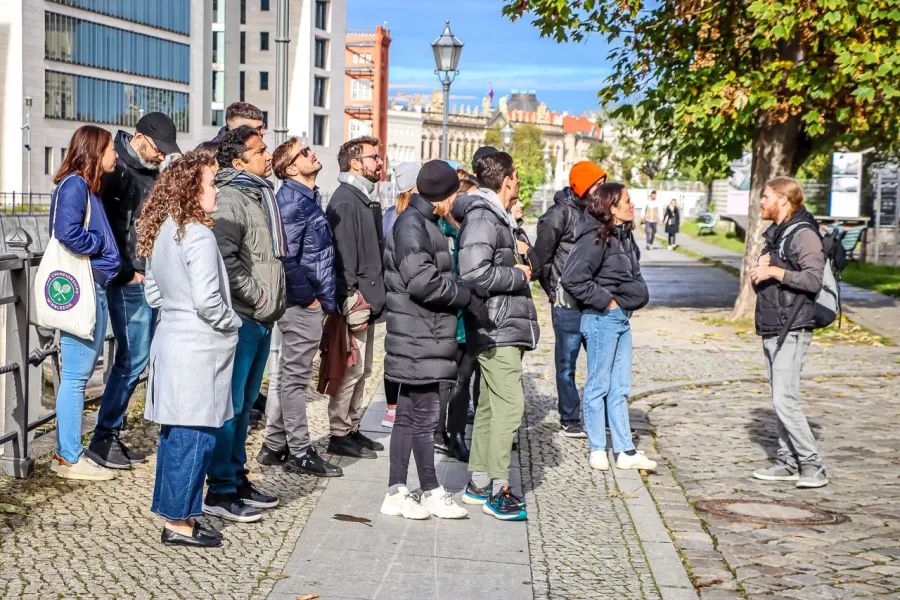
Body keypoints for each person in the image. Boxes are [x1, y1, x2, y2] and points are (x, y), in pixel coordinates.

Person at [137, 155, 239, 548]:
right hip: (198, 348)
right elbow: (209, 301)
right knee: (195, 436)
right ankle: (178, 524)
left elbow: (152, 293)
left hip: (172, 340)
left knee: (175, 434)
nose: (217, 190)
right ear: (191, 190)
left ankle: (173, 512)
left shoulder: (164, 230)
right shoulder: (197, 234)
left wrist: (177, 312)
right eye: (212, 183)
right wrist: (234, 322)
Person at [381, 160, 490, 520]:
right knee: (425, 416)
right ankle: (429, 489)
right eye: (454, 193)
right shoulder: (413, 225)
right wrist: (465, 292)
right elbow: (422, 282)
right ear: (444, 195)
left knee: (410, 415)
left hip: (420, 332)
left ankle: (397, 490)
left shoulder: (421, 221)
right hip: (420, 334)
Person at [87, 113, 181, 470]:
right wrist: (128, 273)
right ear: (140, 139)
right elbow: (110, 227)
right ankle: (103, 437)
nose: (162, 156)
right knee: (134, 358)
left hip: (144, 276)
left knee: (134, 358)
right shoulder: (117, 168)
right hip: (131, 280)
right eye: (159, 149)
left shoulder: (146, 168)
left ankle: (109, 434)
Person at [203, 125, 286, 523]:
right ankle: (219, 489)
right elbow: (224, 259)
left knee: (243, 408)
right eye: (260, 151)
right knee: (231, 407)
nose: (268, 156)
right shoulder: (231, 198)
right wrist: (259, 296)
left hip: (261, 319)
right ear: (239, 162)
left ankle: (236, 478)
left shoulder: (258, 194)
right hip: (244, 317)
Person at [452, 151, 540, 522]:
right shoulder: (484, 217)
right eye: (517, 178)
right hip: (496, 324)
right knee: (509, 407)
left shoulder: (495, 216)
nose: (518, 184)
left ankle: (478, 482)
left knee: (489, 405)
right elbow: (473, 273)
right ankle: (499, 489)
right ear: (507, 178)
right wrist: (518, 275)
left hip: (498, 324)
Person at [255, 137, 342, 478]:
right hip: (299, 304)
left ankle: (274, 446)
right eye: (304, 152)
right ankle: (301, 451)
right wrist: (309, 298)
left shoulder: (305, 197)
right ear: (291, 169)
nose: (312, 153)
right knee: (293, 379)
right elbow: (285, 258)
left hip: (306, 302)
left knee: (286, 376)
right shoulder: (291, 201)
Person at [561, 183, 657, 473]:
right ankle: (597, 449)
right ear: (612, 207)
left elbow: (631, 273)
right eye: (627, 200)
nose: (633, 205)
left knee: (620, 387)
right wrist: (608, 303)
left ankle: (625, 450)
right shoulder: (595, 237)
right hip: (602, 319)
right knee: (598, 385)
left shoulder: (624, 235)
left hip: (621, 320)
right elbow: (573, 278)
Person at [49, 125, 121, 481]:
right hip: (86, 289)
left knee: (78, 374)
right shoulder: (76, 185)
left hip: (93, 288)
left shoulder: (87, 186)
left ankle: (69, 452)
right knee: (77, 376)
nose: (116, 155)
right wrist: (102, 246)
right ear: (95, 151)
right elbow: (66, 232)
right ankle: (68, 457)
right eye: (110, 149)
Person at [750, 177, 828, 489]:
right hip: (774, 325)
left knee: (785, 400)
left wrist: (773, 270)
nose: (761, 202)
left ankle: (812, 465)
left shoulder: (804, 234)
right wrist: (762, 269)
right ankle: (786, 462)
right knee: (782, 398)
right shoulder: (777, 234)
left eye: (766, 196)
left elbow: (812, 280)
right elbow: (768, 278)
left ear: (783, 200)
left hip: (793, 326)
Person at [324, 136, 386, 459]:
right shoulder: (346, 200)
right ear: (355, 163)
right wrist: (351, 298)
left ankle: (351, 426)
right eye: (373, 157)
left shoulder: (364, 197)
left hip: (369, 297)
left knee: (363, 369)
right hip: (357, 299)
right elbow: (343, 255)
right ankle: (338, 432)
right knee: (351, 368)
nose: (379, 161)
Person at [534, 162, 607, 439]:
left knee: (602, 362)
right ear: (582, 186)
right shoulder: (558, 215)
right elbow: (541, 258)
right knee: (566, 363)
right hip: (566, 304)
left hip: (595, 299)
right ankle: (570, 416)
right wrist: (553, 290)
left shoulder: (599, 213)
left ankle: (603, 414)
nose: (602, 190)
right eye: (597, 185)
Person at [380, 162, 421, 428]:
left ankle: (391, 408)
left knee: (395, 349)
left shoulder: (389, 214)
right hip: (410, 293)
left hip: (393, 291)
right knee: (411, 351)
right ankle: (401, 406)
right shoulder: (411, 218)